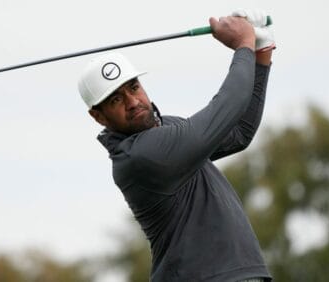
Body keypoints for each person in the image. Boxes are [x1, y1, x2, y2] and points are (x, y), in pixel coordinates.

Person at [78, 11, 274, 282]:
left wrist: (260, 55)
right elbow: (229, 106)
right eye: (115, 100)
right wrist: (243, 45)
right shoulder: (139, 156)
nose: (132, 101)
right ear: (98, 116)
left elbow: (239, 131)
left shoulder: (167, 127)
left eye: (133, 87)